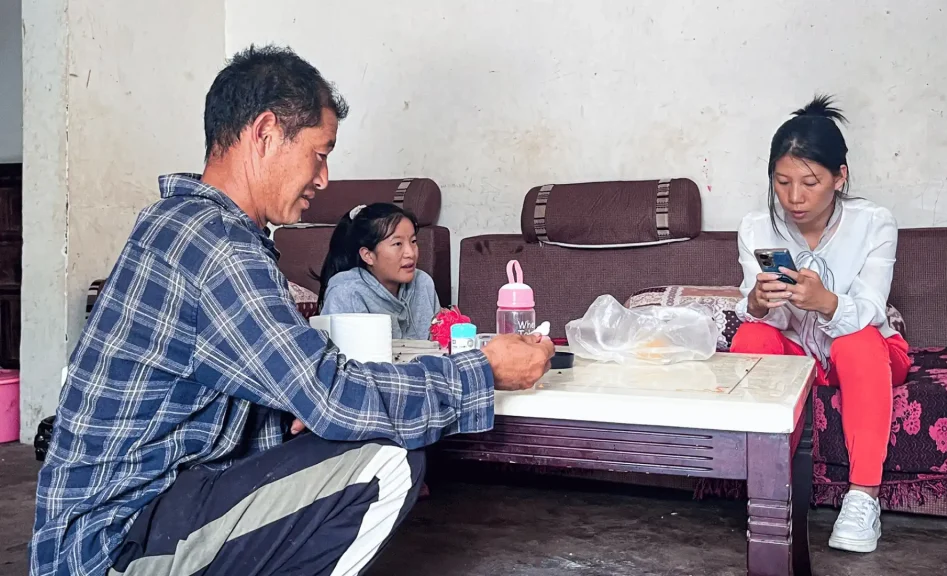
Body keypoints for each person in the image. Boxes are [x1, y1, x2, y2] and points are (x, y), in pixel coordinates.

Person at [30, 45, 554, 576]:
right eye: (319, 153)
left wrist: (292, 413)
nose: (323, 178)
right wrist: (483, 372)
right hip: (112, 542)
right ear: (264, 133)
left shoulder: (187, 225)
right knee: (386, 461)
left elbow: (274, 389)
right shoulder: (217, 247)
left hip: (132, 512)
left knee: (346, 430)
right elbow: (333, 395)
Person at [730, 95, 909, 554]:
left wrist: (827, 303)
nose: (794, 198)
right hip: (799, 356)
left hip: (868, 352)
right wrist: (757, 300)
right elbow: (758, 312)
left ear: (840, 177)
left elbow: (870, 306)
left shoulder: (874, 224)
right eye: (782, 182)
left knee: (855, 338)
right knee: (751, 333)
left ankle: (863, 497)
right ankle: (770, 489)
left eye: (810, 182)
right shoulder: (756, 227)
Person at [317, 202, 440, 340]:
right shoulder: (347, 294)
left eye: (413, 241)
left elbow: (439, 343)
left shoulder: (423, 283)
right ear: (368, 255)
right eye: (397, 244)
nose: (410, 253)